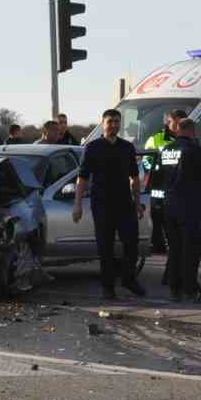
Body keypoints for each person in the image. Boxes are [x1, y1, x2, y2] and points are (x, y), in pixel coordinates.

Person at [72, 109, 145, 299]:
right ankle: (108, 287)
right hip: (102, 204)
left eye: (117, 121)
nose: (114, 125)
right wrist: (77, 204)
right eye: (110, 121)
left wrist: (138, 202)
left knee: (131, 244)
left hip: (124, 203)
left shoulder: (127, 147)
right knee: (106, 248)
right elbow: (82, 178)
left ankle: (129, 279)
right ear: (103, 123)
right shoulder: (93, 147)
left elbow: (135, 178)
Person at [160, 119, 201, 301]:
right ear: (192, 131)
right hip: (189, 206)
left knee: (174, 249)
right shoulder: (193, 149)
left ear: (177, 130)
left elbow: (158, 178)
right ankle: (190, 289)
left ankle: (175, 289)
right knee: (191, 250)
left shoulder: (166, 150)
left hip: (169, 205)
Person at [142, 107, 186, 255]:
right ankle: (158, 245)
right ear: (168, 122)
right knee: (157, 216)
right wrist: (156, 170)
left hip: (177, 187)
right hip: (158, 186)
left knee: (174, 219)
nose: (179, 125)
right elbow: (146, 161)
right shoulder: (155, 139)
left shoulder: (186, 140)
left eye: (182, 122)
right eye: (176, 122)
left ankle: (174, 245)